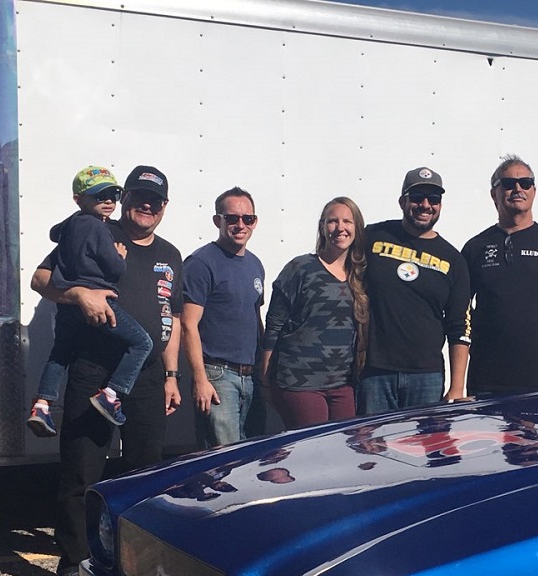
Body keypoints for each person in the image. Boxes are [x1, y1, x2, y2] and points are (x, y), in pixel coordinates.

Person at [30, 165, 184, 576]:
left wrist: (172, 375)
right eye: (138, 196)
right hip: (94, 369)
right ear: (126, 198)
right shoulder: (94, 231)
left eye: (155, 200)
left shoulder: (171, 254)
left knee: (144, 472)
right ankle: (74, 563)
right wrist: (76, 294)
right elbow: (40, 279)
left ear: (164, 207)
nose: (146, 206)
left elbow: (168, 318)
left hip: (149, 378)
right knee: (82, 468)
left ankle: (137, 563)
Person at [27, 166, 153, 436]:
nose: (109, 201)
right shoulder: (99, 229)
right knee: (142, 342)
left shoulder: (70, 226)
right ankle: (111, 393)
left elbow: (54, 233)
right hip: (100, 304)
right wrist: (119, 256)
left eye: (113, 194)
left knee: (60, 354)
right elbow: (114, 269)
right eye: (100, 196)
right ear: (79, 199)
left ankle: (42, 405)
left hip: (67, 309)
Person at [357, 167, 472, 414]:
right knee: (372, 450)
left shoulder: (453, 259)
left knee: (421, 449)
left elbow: (459, 326)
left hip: (426, 376)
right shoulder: (373, 237)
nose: (426, 205)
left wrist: (457, 388)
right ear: (403, 201)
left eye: (434, 199)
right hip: (375, 373)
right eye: (417, 197)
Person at [461, 155, 538, 395]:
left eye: (525, 183)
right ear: (494, 193)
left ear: (534, 191)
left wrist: (537, 332)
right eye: (508, 184)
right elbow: (460, 306)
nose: (517, 189)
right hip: (488, 377)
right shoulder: (475, 247)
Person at [259, 197, 367, 429]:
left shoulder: (359, 275)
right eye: (332, 221)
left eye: (347, 221)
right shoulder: (300, 268)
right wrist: (266, 376)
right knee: (313, 452)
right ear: (322, 227)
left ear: (356, 227)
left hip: (342, 382)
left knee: (343, 449)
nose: (340, 228)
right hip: (300, 381)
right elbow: (274, 323)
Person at [181, 187, 266, 448]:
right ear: (218, 221)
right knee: (222, 463)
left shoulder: (255, 264)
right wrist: (200, 379)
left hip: (250, 376)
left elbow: (255, 320)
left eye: (247, 219)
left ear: (255, 222)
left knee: (252, 459)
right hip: (218, 377)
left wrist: (263, 372)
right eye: (232, 218)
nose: (240, 225)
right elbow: (188, 324)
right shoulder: (201, 263)